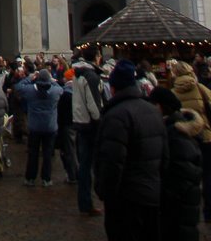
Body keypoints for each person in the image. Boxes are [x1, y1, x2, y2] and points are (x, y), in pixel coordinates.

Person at [94, 59, 168, 241]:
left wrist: (105, 192)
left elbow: (112, 161)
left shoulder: (116, 115)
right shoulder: (153, 111)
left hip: (125, 198)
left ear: (112, 88)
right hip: (151, 194)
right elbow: (165, 157)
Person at [171, 60, 211, 224]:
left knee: (185, 176)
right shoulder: (201, 88)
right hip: (206, 136)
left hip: (185, 137)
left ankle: (187, 213)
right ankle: (210, 212)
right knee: (207, 175)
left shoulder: (172, 92)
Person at [149, 86, 203, 241]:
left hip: (178, 207)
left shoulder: (175, 134)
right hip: (183, 207)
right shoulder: (178, 129)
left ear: (161, 106)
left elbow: (181, 173)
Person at [15, 67, 62, 186]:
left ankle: (30, 178)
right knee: (47, 155)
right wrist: (50, 79)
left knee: (33, 153)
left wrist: (30, 77)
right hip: (50, 127)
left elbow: (18, 87)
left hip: (35, 127)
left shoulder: (30, 91)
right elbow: (60, 88)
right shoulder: (55, 92)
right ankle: (46, 179)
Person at [72, 45, 104, 216]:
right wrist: (100, 121)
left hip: (80, 121)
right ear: (97, 56)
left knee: (84, 164)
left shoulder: (77, 74)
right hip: (91, 125)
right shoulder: (90, 76)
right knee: (91, 164)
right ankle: (91, 199)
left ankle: (85, 201)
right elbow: (93, 104)